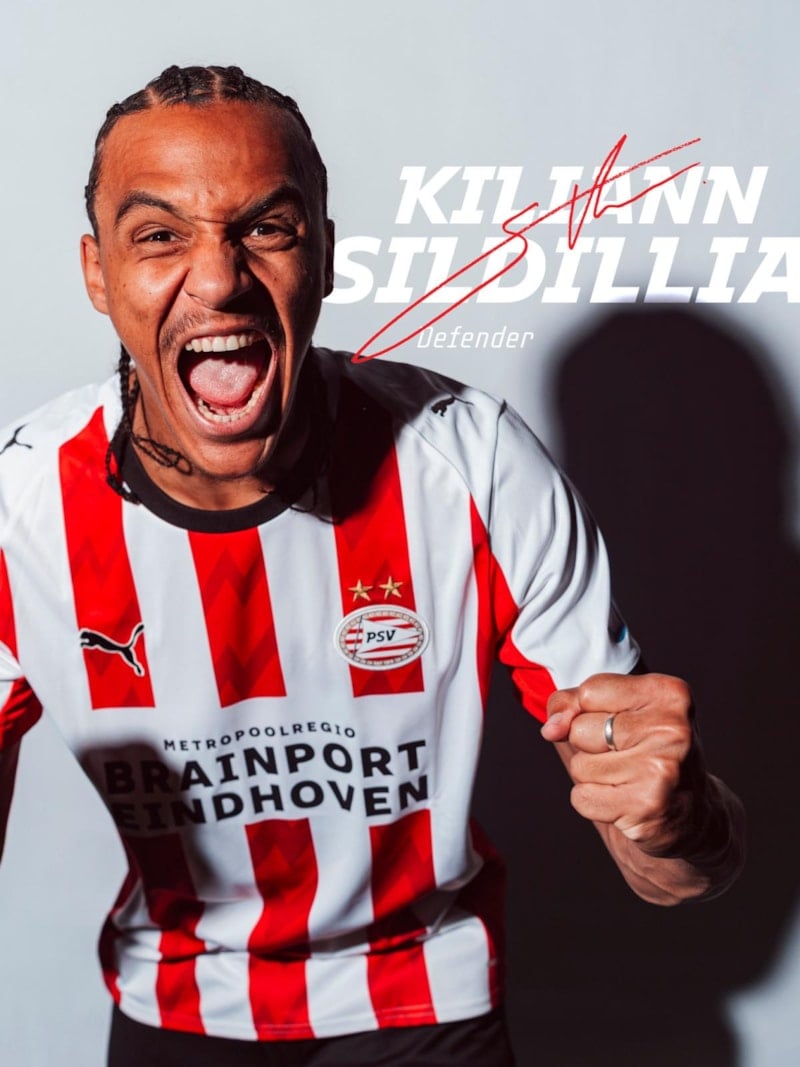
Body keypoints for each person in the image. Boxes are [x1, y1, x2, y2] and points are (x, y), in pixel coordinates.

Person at [0, 65, 743, 1066]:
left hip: (422, 1002)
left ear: (326, 254)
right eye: (160, 236)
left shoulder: (470, 462)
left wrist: (676, 813)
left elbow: (675, 874)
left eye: (266, 228)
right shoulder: (21, 515)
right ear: (98, 273)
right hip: (177, 1008)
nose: (217, 279)